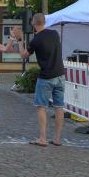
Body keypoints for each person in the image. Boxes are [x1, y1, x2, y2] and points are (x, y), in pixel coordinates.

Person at [20, 13, 65, 146]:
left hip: (46, 77)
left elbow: (24, 55)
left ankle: (42, 138)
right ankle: (57, 139)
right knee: (59, 107)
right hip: (60, 75)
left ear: (33, 24)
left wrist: (19, 40)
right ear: (45, 22)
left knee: (41, 107)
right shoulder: (55, 34)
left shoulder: (36, 40)